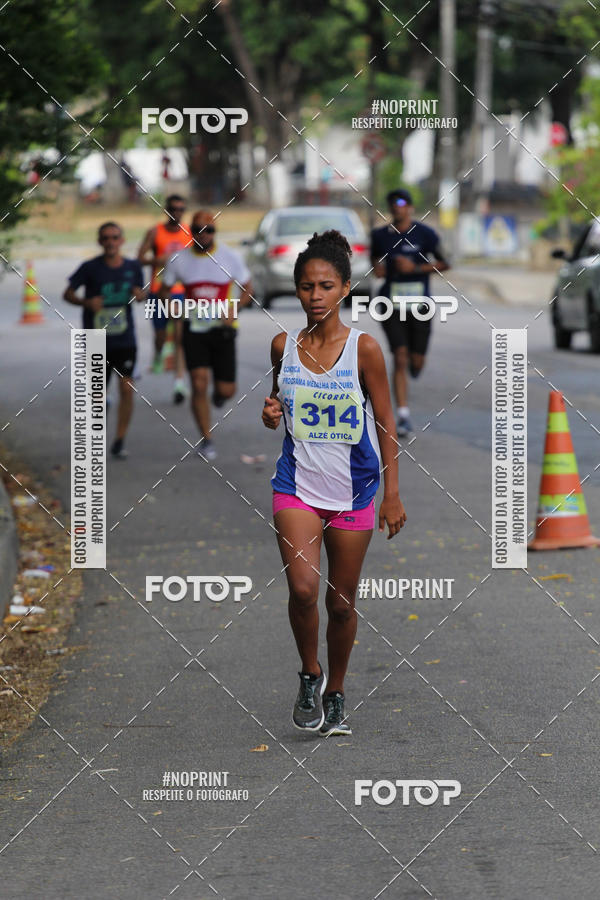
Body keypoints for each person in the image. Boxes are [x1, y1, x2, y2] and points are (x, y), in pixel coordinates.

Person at [262, 230, 406, 736]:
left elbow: (386, 421)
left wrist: (391, 493)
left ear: (345, 288)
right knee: (303, 590)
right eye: (306, 286)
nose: (315, 295)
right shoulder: (284, 345)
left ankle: (338, 690)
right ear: (296, 291)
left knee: (341, 603)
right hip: (296, 486)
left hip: (355, 491)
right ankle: (310, 674)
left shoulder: (363, 350)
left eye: (325, 285)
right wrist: (270, 410)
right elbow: (278, 404)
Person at [159, 210, 252, 460]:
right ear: (191, 231)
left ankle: (219, 397)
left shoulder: (229, 257)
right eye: (198, 229)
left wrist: (236, 308)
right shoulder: (179, 260)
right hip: (194, 329)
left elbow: (248, 287)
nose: (203, 234)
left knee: (227, 390)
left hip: (223, 330)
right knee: (198, 383)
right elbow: (164, 290)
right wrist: (173, 306)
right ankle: (206, 439)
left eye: (209, 230)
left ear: (215, 232)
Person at [370, 188, 450, 437]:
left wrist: (416, 267)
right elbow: (375, 261)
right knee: (400, 356)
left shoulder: (425, 234)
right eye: (393, 203)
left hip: (419, 306)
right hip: (390, 304)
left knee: (416, 361)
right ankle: (403, 415)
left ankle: (416, 365)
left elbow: (445, 263)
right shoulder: (380, 235)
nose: (397, 206)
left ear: (411, 207)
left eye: (402, 202)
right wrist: (378, 269)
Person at [64, 222, 146, 459]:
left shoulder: (132, 267)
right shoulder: (90, 268)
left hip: (125, 339)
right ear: (100, 241)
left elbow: (142, 293)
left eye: (115, 237)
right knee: (97, 395)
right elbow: (67, 293)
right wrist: (86, 303)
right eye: (106, 238)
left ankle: (120, 439)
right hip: (96, 339)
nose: (110, 241)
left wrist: (141, 295)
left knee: (127, 389)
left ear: (122, 240)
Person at [137, 194, 190, 402]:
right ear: (166, 210)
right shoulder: (155, 232)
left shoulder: (189, 231)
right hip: (158, 291)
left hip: (181, 291)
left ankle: (179, 383)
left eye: (180, 209)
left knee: (180, 337)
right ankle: (158, 354)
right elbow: (140, 258)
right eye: (173, 209)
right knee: (160, 336)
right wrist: (161, 260)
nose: (176, 213)